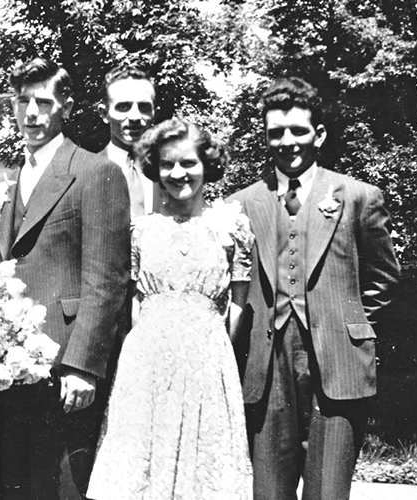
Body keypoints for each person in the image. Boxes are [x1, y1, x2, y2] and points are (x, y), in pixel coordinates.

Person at [228, 77, 399, 500]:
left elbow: (383, 278)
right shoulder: (240, 205)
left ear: (318, 134)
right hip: (266, 363)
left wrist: (349, 328)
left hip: (337, 363)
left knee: (327, 491)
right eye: (276, 132)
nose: (287, 141)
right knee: (269, 491)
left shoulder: (358, 197)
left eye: (297, 130)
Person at [86, 118, 254, 499]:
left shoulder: (230, 228)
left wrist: (211, 353)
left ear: (206, 165)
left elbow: (239, 305)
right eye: (168, 165)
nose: (178, 173)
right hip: (146, 367)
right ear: (155, 169)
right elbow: (134, 302)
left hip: (207, 366)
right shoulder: (141, 231)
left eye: (188, 163)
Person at [0, 58, 131, 500]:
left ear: (66, 108)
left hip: (66, 363)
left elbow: (107, 279)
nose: (32, 113)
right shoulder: (12, 179)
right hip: (13, 362)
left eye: (44, 102)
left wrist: (83, 366)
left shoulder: (95, 171)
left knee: (65, 485)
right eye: (23, 101)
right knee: (17, 482)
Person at [97, 65, 163, 216]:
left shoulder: (172, 171)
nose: (135, 117)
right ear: (104, 113)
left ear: (154, 113)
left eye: (144, 107)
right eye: (123, 107)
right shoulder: (85, 173)